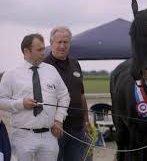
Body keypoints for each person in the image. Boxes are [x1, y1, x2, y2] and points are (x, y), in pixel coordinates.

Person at [0, 33, 70, 161]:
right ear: (26, 51)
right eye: (39, 50)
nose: (43, 53)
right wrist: (21, 104)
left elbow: (64, 96)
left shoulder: (51, 70)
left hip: (49, 137)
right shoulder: (11, 74)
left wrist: (59, 119)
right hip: (22, 137)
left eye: (44, 48)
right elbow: (1, 101)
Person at [44, 26, 91, 161]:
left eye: (66, 42)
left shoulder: (76, 64)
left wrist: (86, 121)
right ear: (51, 43)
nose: (62, 46)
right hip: (55, 130)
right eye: (59, 42)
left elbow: (81, 95)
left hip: (77, 129)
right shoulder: (44, 66)